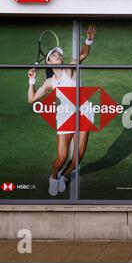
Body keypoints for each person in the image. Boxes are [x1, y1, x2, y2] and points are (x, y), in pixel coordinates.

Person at [27, 25, 97, 196]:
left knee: (77, 159)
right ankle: (53, 176)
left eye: (59, 54)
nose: (57, 55)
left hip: (84, 113)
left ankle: (63, 176)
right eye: (53, 55)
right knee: (62, 157)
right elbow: (31, 99)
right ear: (48, 62)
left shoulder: (70, 69)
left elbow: (84, 54)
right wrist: (32, 80)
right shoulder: (50, 83)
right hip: (66, 116)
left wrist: (88, 40)